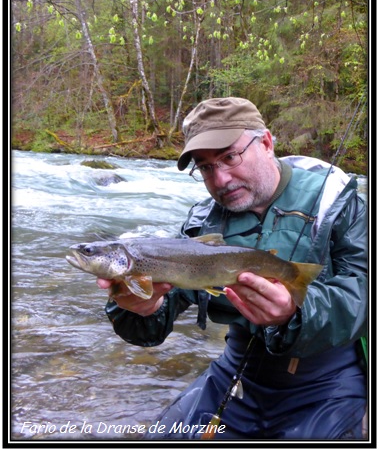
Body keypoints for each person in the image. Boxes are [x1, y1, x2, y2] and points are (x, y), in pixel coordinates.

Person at [99, 97, 368, 440]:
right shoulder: (201, 223)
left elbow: (365, 288)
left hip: (326, 379)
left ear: (267, 143)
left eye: (229, 157)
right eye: (206, 167)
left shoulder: (336, 202)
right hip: (237, 372)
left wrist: (296, 311)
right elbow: (152, 324)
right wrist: (138, 307)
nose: (221, 178)